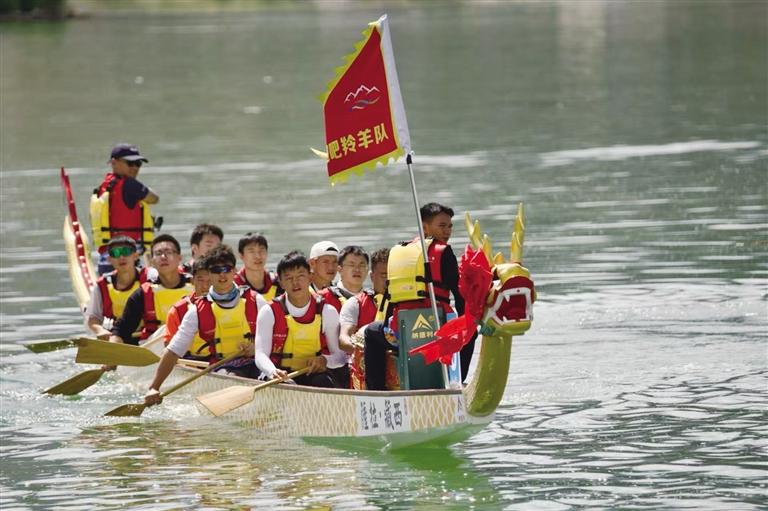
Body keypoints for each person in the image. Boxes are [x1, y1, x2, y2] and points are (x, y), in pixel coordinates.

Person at [144, 245, 266, 407]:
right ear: (209, 274)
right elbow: (173, 351)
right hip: (224, 368)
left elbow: (276, 338)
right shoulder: (196, 311)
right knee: (231, 377)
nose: (222, 275)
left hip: (259, 363)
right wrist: (154, 387)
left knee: (282, 379)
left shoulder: (256, 301)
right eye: (216, 270)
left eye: (227, 269)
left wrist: (257, 348)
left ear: (234, 271)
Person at [363, 202, 465, 390]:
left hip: (401, 334)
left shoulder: (399, 251)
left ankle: (376, 390)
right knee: (468, 330)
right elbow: (460, 297)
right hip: (439, 330)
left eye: (450, 226)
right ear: (424, 227)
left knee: (371, 331)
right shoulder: (444, 252)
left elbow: (392, 299)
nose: (447, 231)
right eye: (442, 225)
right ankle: (459, 381)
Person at [254, 251, 344, 388]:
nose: (295, 282)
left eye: (300, 276)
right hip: (279, 375)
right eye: (288, 278)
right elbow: (260, 355)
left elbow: (340, 357)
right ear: (281, 283)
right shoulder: (268, 311)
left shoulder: (327, 311)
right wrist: (272, 371)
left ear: (310, 277)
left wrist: (325, 360)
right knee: (286, 385)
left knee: (324, 382)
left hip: (314, 373)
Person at [109, 234, 194, 345]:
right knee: (164, 330)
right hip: (156, 348)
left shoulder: (196, 285)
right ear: (152, 261)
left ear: (179, 258)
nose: (163, 257)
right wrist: (114, 343)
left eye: (168, 252)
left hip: (194, 348)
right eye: (158, 253)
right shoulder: (142, 294)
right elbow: (121, 330)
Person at [92, 143, 159, 275]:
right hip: (127, 259)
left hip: (106, 260)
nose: (135, 168)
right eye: (130, 163)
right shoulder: (130, 185)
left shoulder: (105, 185)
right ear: (114, 163)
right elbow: (154, 198)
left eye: (138, 164)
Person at [84, 236, 142, 340]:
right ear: (109, 260)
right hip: (115, 337)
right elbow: (93, 318)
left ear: (135, 256)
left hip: (148, 336)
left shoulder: (150, 278)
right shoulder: (102, 285)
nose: (121, 257)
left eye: (126, 252)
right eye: (116, 253)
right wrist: (100, 330)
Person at [164, 258, 210, 345]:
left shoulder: (229, 304)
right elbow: (168, 346)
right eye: (200, 280)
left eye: (210, 280)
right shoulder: (177, 311)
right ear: (192, 281)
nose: (205, 286)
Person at [316, 245, 368, 312]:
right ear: (340, 269)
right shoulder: (322, 297)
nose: (357, 270)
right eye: (352, 265)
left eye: (362, 265)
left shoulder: (374, 300)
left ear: (367, 270)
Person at [233, 232, 283, 300]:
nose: (258, 256)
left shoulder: (278, 281)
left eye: (261, 250)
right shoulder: (233, 284)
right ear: (241, 256)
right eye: (251, 251)